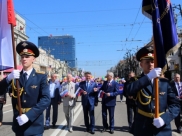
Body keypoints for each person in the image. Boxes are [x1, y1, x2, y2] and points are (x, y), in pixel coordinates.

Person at [126, 45, 180, 136]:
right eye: (147, 62)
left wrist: (165, 118)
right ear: (141, 64)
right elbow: (128, 91)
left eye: (152, 62)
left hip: (162, 128)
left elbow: (175, 105)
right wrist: (148, 77)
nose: (150, 64)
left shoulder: (164, 83)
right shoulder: (135, 81)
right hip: (142, 126)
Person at [8, 41, 51, 136]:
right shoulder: (15, 76)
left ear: (33, 59)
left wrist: (28, 116)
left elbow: (46, 99)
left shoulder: (41, 77)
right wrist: (7, 78)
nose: (24, 59)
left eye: (27, 57)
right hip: (19, 124)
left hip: (34, 124)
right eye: (22, 57)